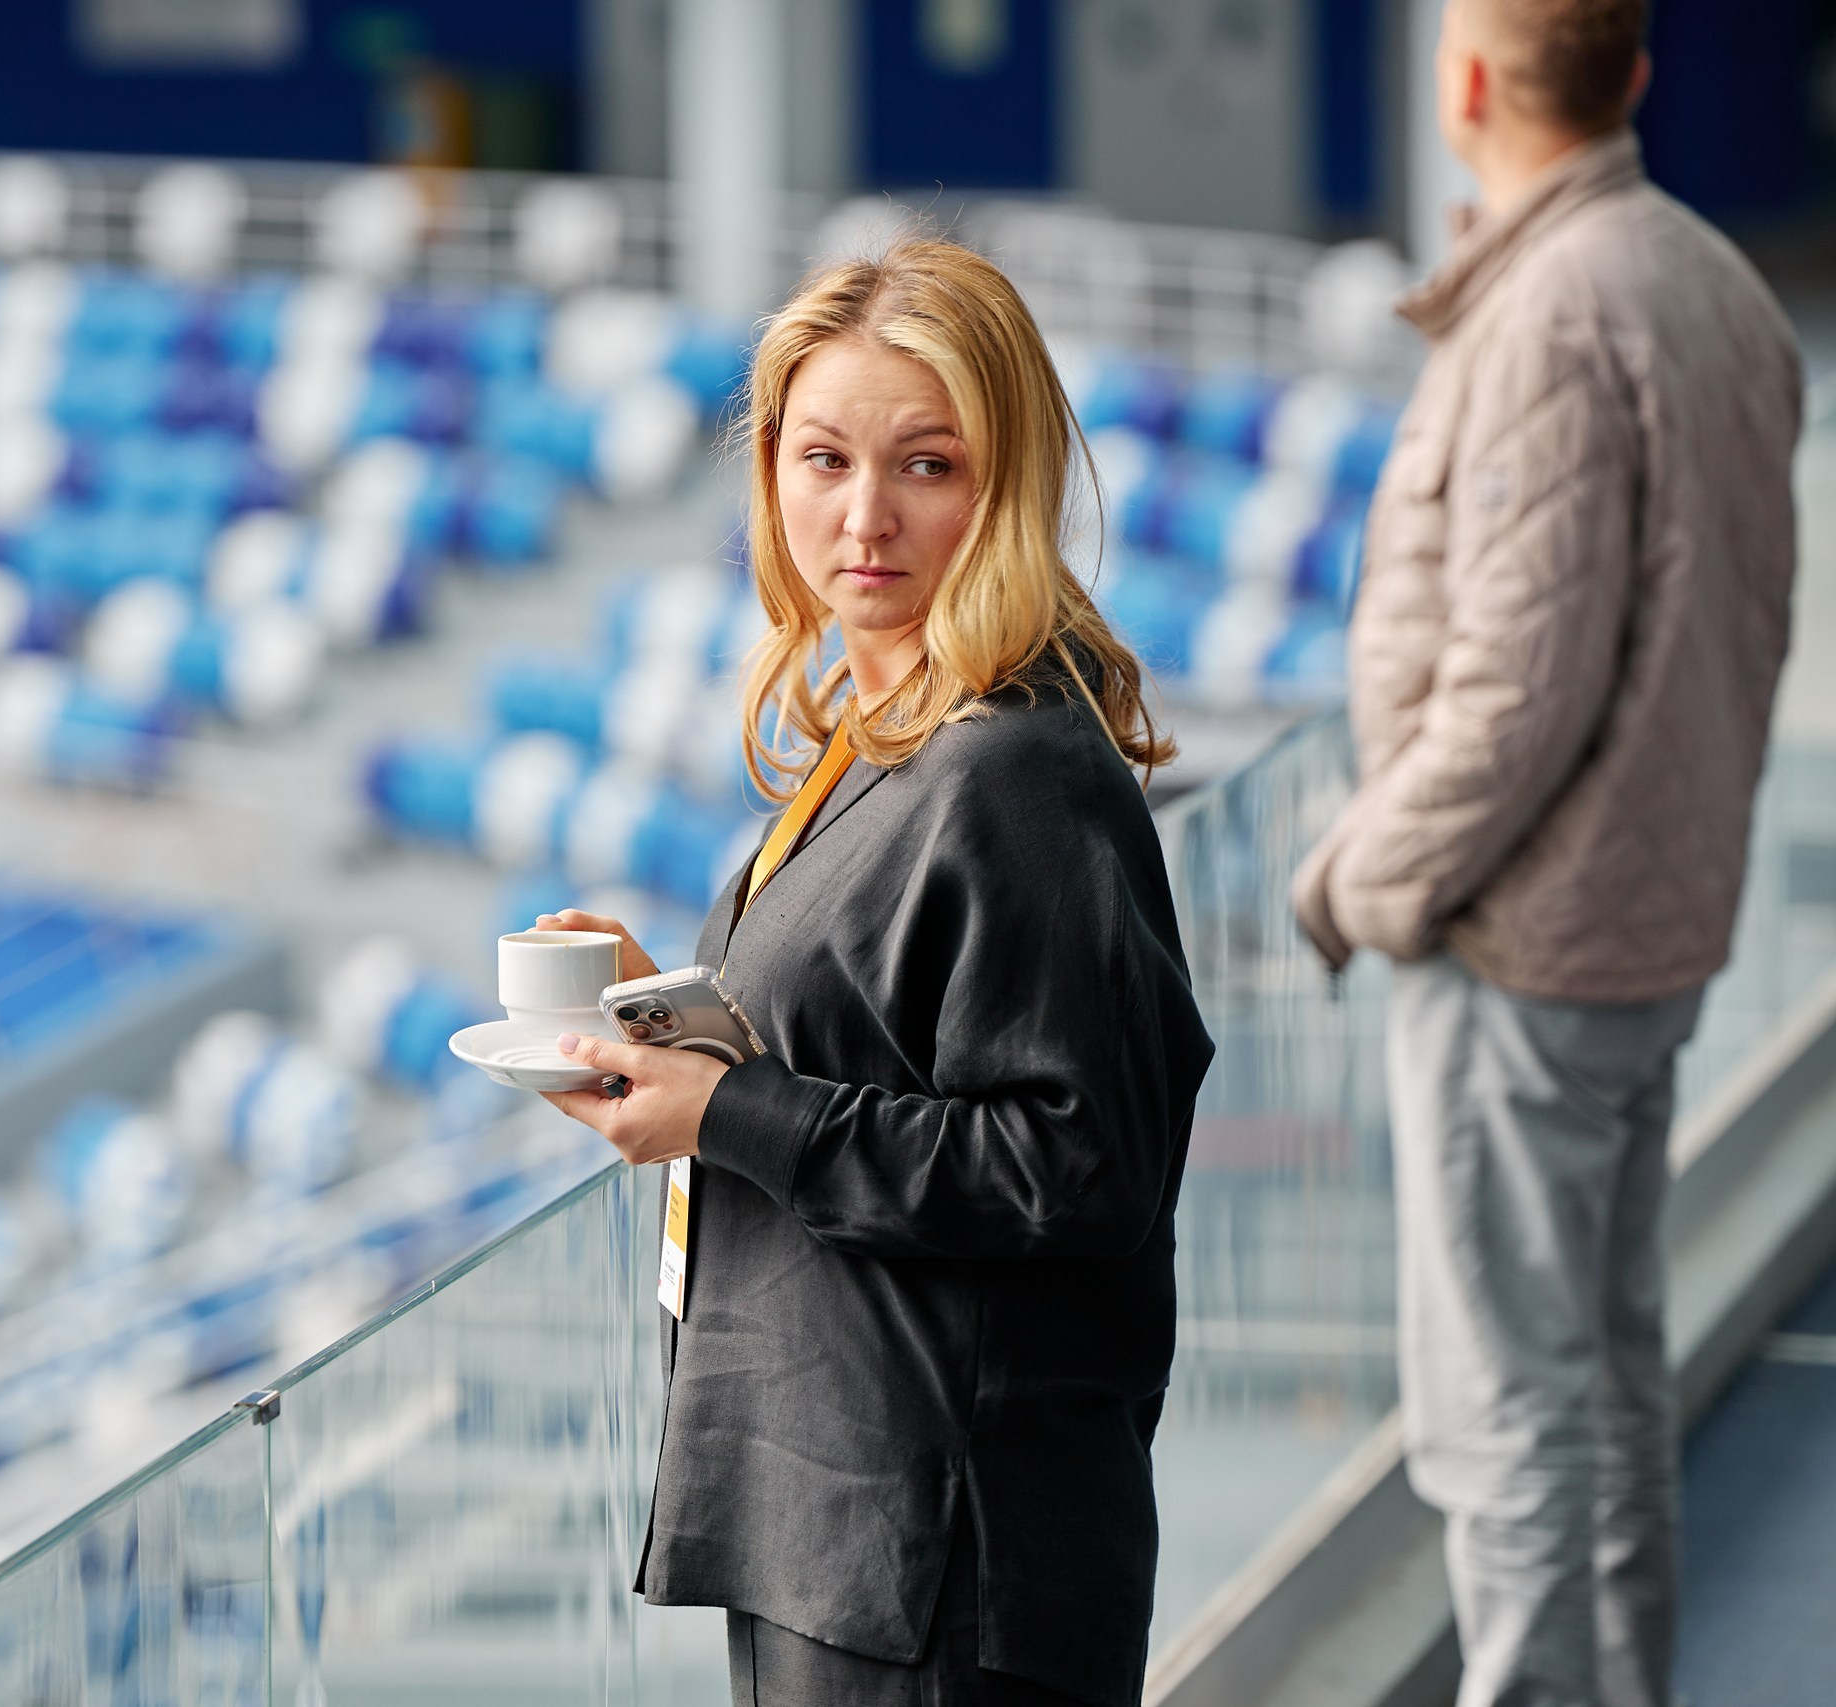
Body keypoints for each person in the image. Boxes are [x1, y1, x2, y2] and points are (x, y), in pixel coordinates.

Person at [533, 237, 1214, 1707]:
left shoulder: (1017, 770)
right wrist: (675, 1012)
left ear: (1007, 482)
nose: (864, 518)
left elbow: (1076, 1168)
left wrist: (725, 1115)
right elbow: (886, 1042)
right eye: (825, 458)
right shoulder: (896, 715)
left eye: (927, 465)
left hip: (942, 1560)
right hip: (843, 1515)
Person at [1289, 3, 1804, 1704]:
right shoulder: (1714, 281)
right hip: (1653, 928)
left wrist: (1355, 879)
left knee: (1506, 1430)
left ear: (1462, 83)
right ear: (1636, 76)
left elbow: (1514, 694)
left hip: (1526, 952)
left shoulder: (1553, 316)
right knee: (1606, 1385)